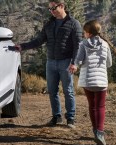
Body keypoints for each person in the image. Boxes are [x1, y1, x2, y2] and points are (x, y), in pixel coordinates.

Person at [15, 0, 82, 128]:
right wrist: (22, 46)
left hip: (66, 62)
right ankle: (57, 117)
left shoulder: (73, 24)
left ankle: (71, 118)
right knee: (52, 91)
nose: (51, 11)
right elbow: (38, 41)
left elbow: (77, 46)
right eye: (49, 9)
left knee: (68, 90)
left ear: (62, 6)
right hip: (51, 62)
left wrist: (74, 63)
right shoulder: (49, 24)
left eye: (53, 8)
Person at [72, 20, 116, 145]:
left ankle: (95, 130)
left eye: (84, 32)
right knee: (100, 106)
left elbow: (79, 60)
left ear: (88, 33)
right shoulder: (105, 44)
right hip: (101, 81)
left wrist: (75, 65)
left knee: (92, 106)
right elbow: (109, 64)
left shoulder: (83, 44)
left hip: (87, 81)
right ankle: (99, 132)